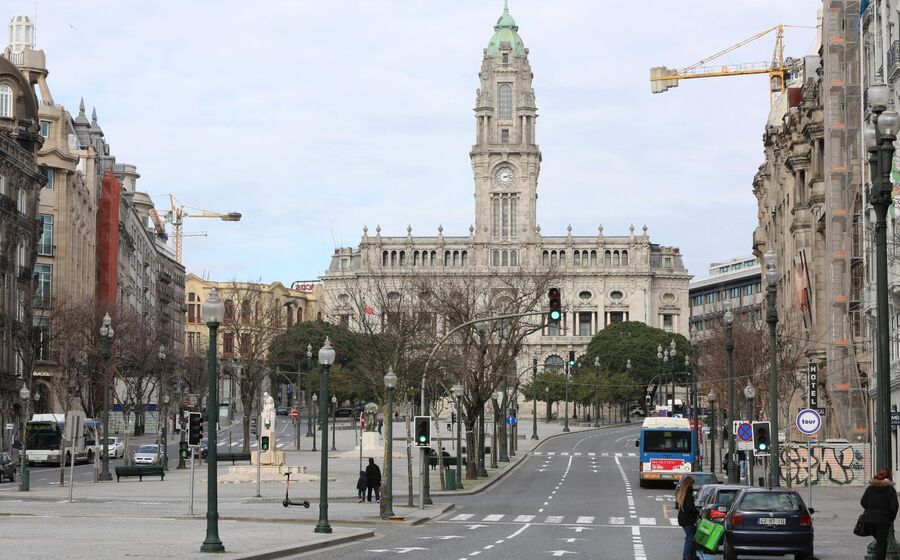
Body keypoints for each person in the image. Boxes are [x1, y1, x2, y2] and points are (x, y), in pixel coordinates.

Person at [861, 467, 899, 560]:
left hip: (869, 521)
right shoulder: (890, 490)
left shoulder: (870, 488)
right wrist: (890, 518)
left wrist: (870, 510)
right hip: (883, 521)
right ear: (889, 477)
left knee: (881, 542)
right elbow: (894, 507)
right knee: (882, 545)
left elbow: (863, 502)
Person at [675, 475, 700, 560]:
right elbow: (690, 508)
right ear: (689, 484)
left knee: (692, 537)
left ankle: (693, 555)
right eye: (692, 484)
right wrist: (698, 513)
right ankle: (686, 556)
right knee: (689, 537)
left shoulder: (683, 493)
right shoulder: (688, 495)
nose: (693, 486)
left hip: (683, 519)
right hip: (687, 520)